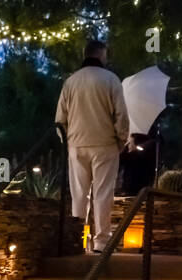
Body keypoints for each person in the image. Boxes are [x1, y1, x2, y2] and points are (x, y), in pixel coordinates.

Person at [55, 39, 130, 253]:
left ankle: (77, 240)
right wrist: (121, 140)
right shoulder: (110, 80)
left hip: (77, 144)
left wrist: (67, 142)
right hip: (105, 143)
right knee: (103, 194)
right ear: (101, 55)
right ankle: (101, 242)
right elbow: (121, 115)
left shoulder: (71, 82)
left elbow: (60, 118)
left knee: (79, 194)